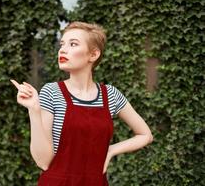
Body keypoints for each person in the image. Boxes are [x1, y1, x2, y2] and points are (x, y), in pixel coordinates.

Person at [10, 21, 153, 186]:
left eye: (73, 44)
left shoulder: (111, 95)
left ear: (93, 55)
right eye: (62, 44)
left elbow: (145, 135)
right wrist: (33, 109)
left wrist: (111, 150)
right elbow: (43, 162)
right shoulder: (52, 92)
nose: (63, 49)